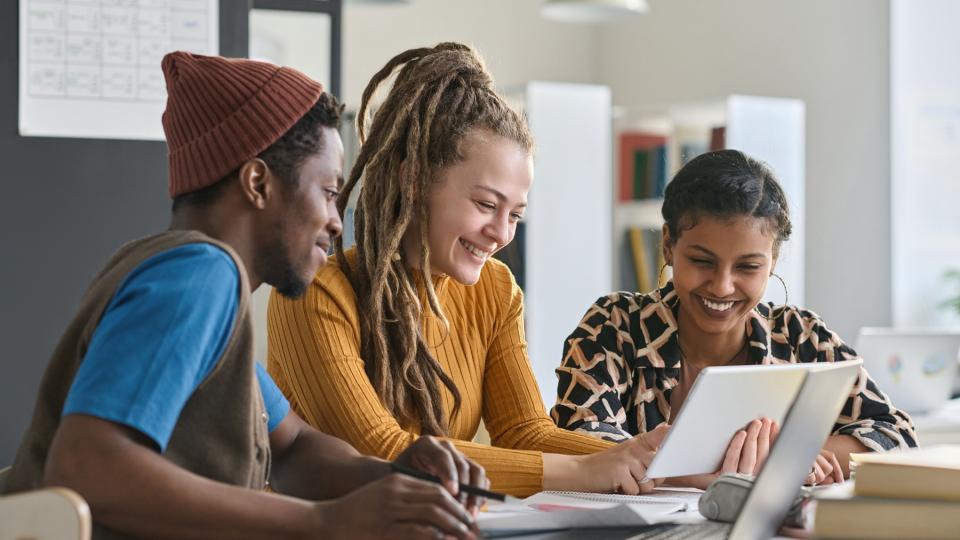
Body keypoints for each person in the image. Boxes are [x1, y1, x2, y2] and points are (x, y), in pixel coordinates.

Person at [4, 51, 486, 540]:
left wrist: (397, 477)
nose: (338, 221)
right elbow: (87, 465)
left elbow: (292, 446)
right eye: (327, 191)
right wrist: (327, 522)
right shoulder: (201, 275)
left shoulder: (179, 276)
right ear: (257, 183)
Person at [266, 42, 688, 498]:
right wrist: (582, 471)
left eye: (515, 215)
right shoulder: (318, 295)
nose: (501, 234)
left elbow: (525, 432)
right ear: (415, 180)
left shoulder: (495, 289)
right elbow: (383, 451)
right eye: (487, 204)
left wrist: (646, 461)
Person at [551, 149, 918, 488]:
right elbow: (582, 444)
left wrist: (786, 454)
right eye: (702, 261)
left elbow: (897, 435)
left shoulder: (799, 335)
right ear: (668, 245)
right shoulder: (615, 326)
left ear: (772, 260)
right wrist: (723, 471)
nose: (722, 286)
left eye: (748, 266)